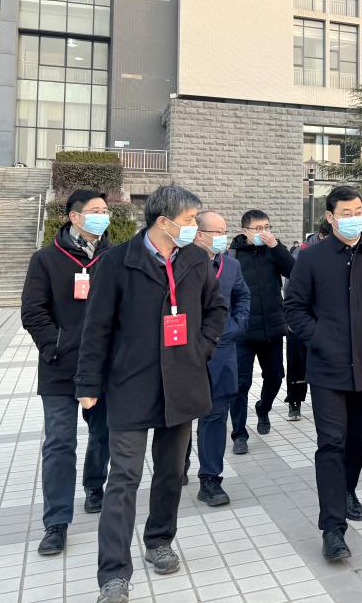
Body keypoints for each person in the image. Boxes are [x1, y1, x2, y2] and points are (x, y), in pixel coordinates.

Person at [75, 185, 227, 603]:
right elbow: (96, 328)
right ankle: (113, 574)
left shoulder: (195, 259)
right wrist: (88, 384)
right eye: (189, 220)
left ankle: (159, 540)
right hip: (131, 385)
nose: (194, 227)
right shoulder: (117, 263)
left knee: (171, 471)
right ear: (163, 222)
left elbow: (217, 309)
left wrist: (201, 347)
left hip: (181, 383)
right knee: (124, 477)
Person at [284, 186, 362, 562]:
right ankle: (333, 529)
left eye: (358, 211)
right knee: (331, 444)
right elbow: (293, 308)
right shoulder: (312, 257)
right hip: (327, 369)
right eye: (346, 212)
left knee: (358, 438)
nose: (354, 217)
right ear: (330, 217)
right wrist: (320, 338)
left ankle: (347, 489)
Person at [21, 189, 112, 556]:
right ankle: (56, 522)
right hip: (59, 368)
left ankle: (94, 484)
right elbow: (33, 311)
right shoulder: (46, 259)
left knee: (103, 432)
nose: (103, 215)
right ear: (74, 217)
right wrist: (55, 345)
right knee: (59, 442)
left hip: (103, 367)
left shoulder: (114, 257)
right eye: (95, 210)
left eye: (105, 210)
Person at [183, 211, 251, 506]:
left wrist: (236, 326)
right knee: (182, 417)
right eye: (217, 232)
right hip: (186, 355)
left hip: (222, 353)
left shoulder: (231, 265)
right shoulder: (179, 263)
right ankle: (178, 464)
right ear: (199, 235)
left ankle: (210, 479)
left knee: (215, 417)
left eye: (225, 231)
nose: (224, 237)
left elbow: (243, 297)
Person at [228, 209, 296, 454]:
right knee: (240, 384)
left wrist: (276, 246)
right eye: (258, 228)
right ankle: (239, 434)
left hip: (273, 328)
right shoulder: (232, 254)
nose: (264, 232)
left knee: (276, 377)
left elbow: (294, 271)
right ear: (244, 231)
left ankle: (263, 409)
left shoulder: (274, 249)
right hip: (243, 332)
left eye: (267, 227)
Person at [284, 221, 331, 420]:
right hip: (301, 319)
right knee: (297, 363)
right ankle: (294, 403)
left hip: (326, 320)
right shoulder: (302, 253)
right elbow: (290, 288)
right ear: (321, 236)